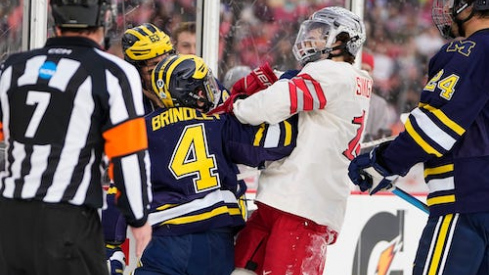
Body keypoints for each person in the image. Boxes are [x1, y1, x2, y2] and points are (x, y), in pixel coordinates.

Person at [0, 0, 152, 274]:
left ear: (54, 17)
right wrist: (138, 218)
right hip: (68, 221)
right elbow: (128, 155)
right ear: (104, 18)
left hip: (10, 219)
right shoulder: (113, 73)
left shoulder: (13, 68)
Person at [217, 6, 371, 275]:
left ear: (343, 40)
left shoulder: (333, 73)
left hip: (303, 207)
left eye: (320, 34)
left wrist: (237, 107)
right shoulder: (351, 79)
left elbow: (276, 102)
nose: (310, 40)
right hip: (287, 199)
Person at [348, 0, 489, 274]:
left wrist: (385, 162)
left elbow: (435, 129)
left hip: (465, 205)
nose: (449, 9)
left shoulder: (471, 51)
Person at [126, 54, 296, 274]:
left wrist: (113, 242)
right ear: (194, 91)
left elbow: (120, 178)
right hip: (212, 237)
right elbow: (279, 142)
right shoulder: (219, 123)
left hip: (162, 236)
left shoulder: (141, 128)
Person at [121, 22, 175, 113]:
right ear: (137, 71)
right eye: (154, 65)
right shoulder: (126, 102)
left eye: (167, 62)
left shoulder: (185, 93)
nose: (163, 71)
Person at [361, 51, 392, 141]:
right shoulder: (345, 96)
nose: (363, 73)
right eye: (361, 68)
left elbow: (379, 137)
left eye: (367, 70)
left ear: (372, 72)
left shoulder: (379, 104)